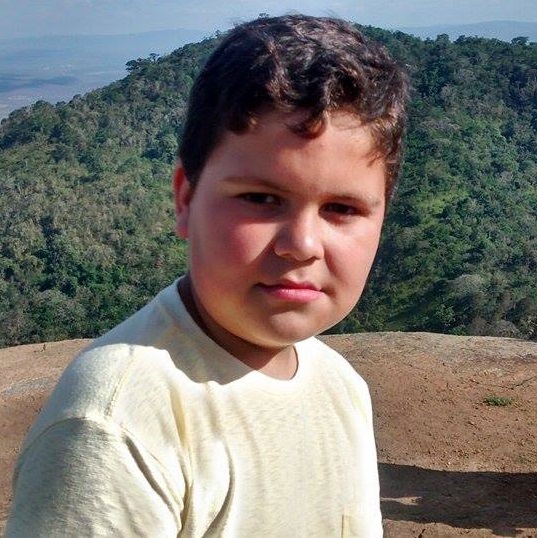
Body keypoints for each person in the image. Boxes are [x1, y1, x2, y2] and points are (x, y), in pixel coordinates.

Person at [7, 14, 409, 537]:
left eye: (342, 209)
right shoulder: (115, 426)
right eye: (261, 199)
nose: (302, 244)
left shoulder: (342, 387)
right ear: (185, 199)